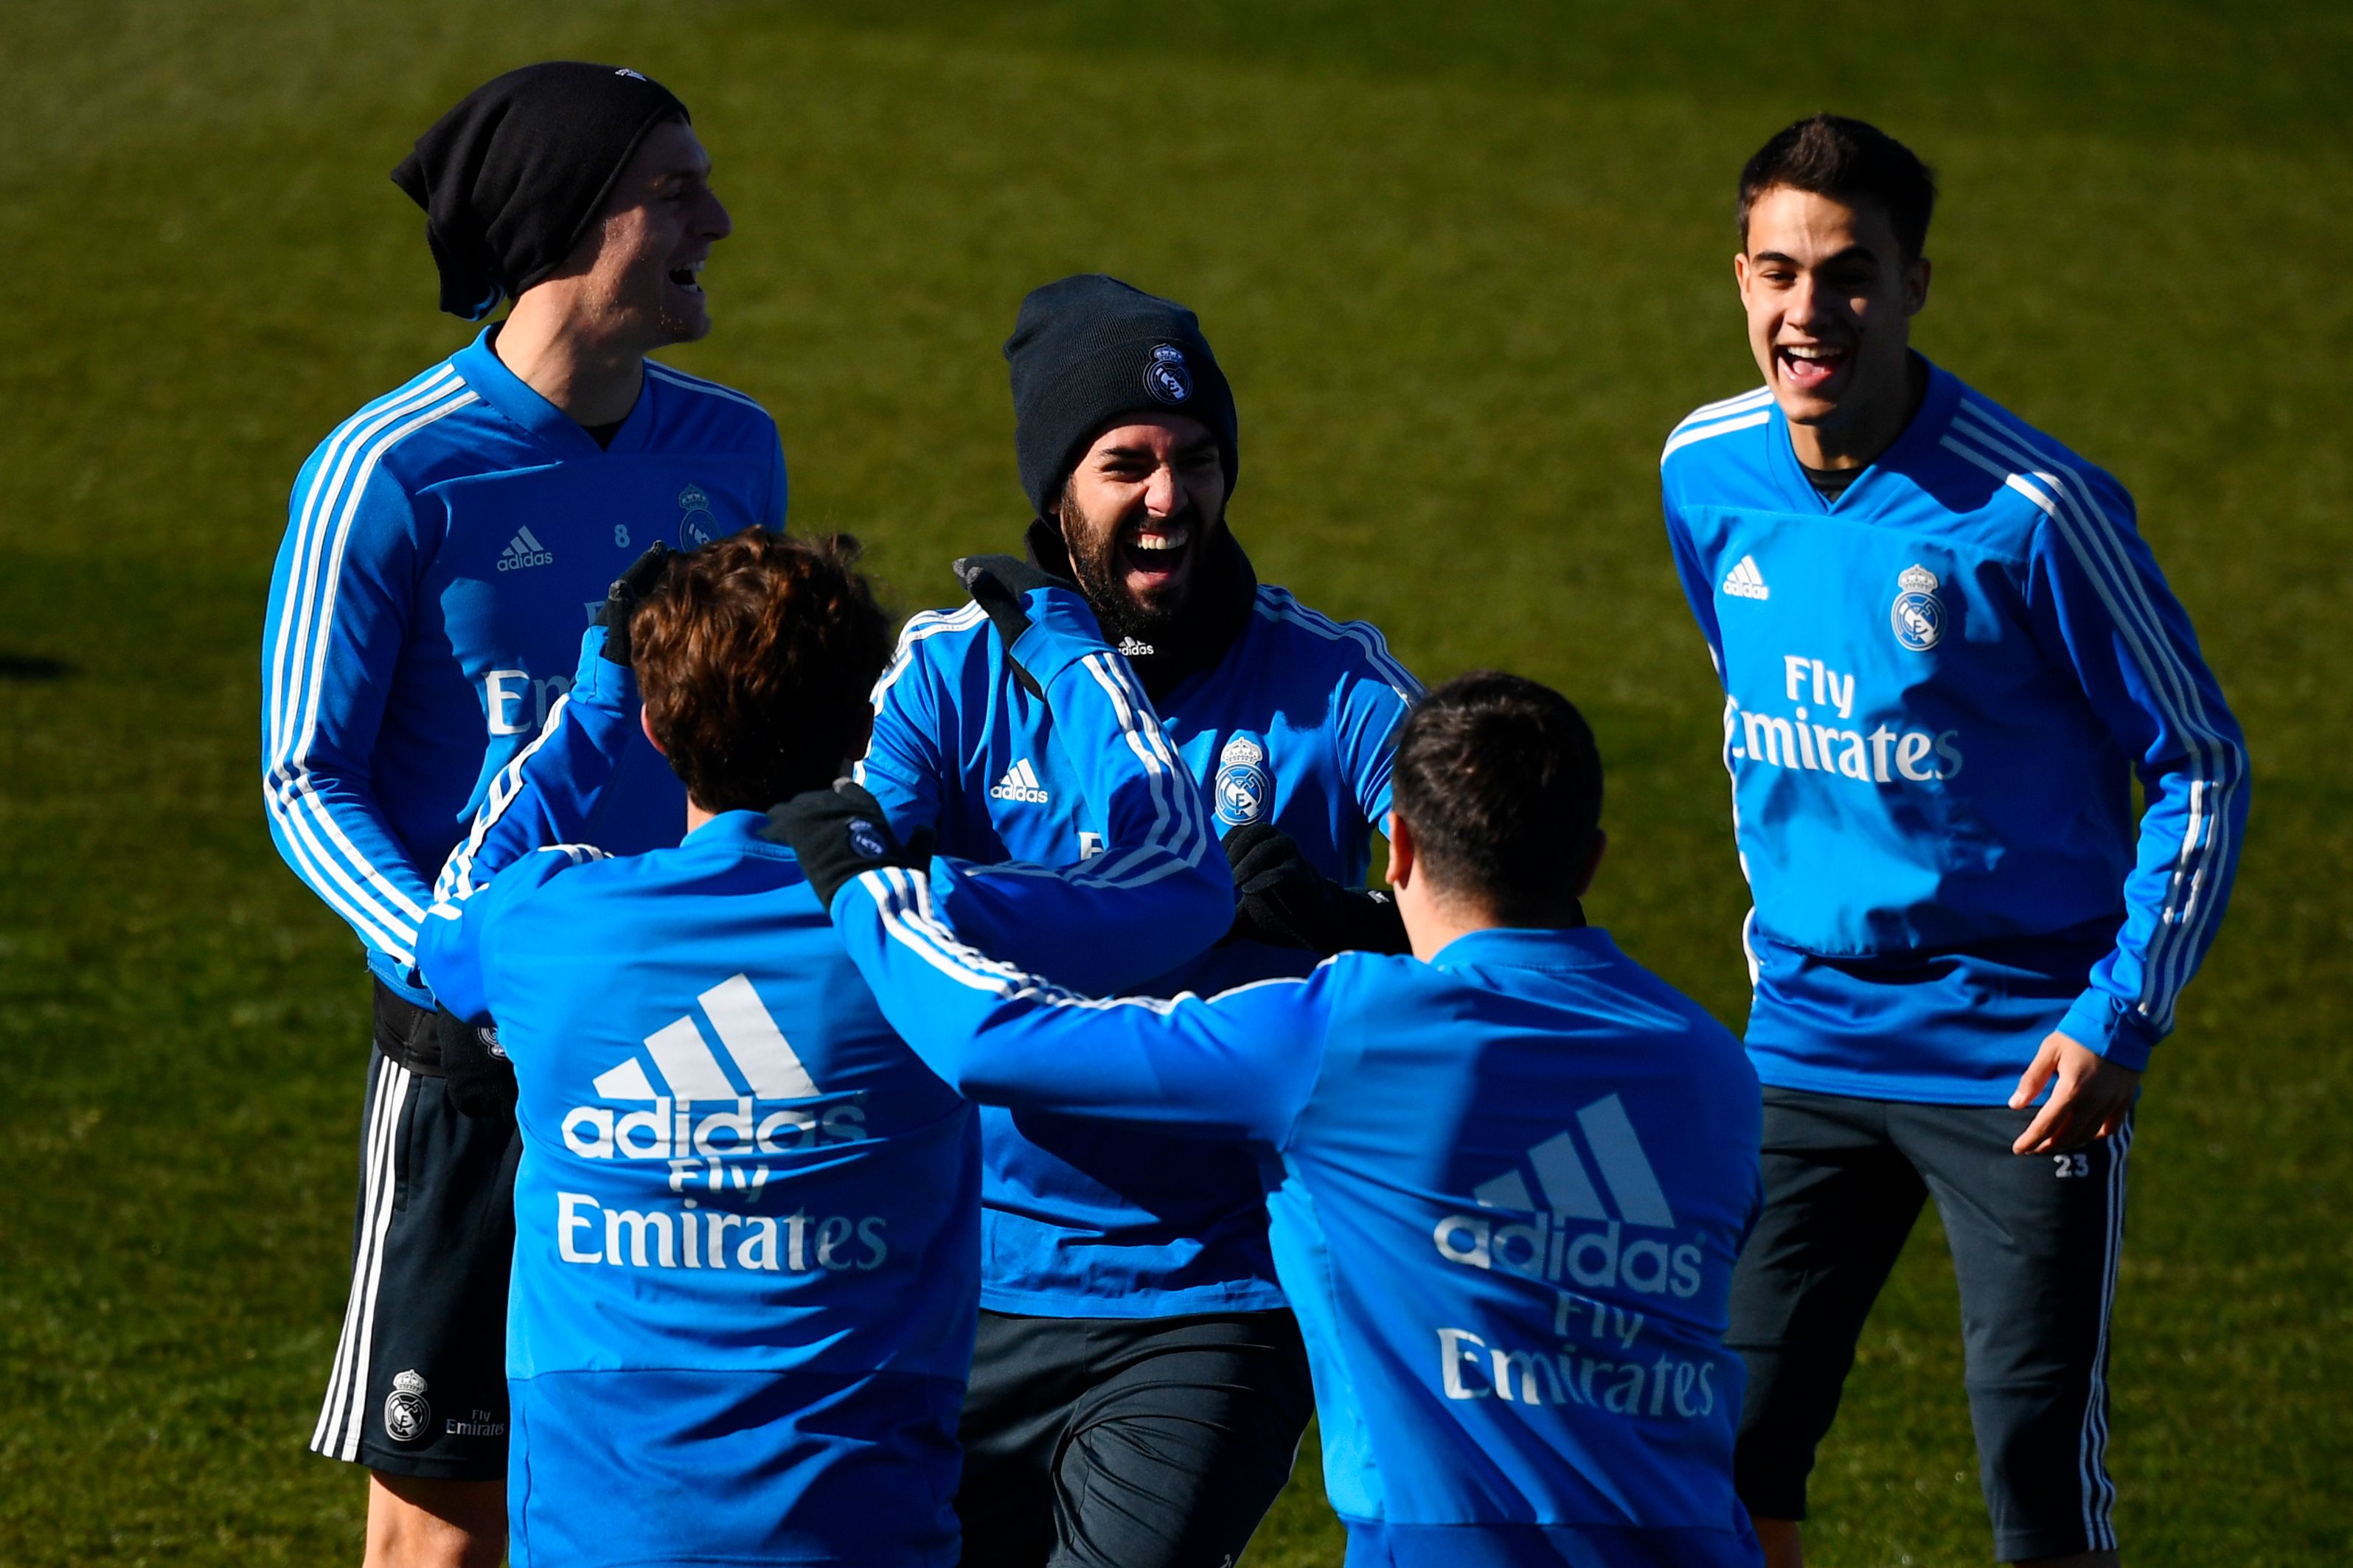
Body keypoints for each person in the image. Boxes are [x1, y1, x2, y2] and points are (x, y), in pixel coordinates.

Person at [775, 671, 1766, 1568]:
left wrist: (869, 887)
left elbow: (997, 1041)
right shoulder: (1714, 1066)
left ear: (1402, 846)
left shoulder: (1344, 1035)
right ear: (1590, 859)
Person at [1657, 114, 2248, 1568]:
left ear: (1917, 282)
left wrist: (2121, 1015)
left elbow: (2203, 762)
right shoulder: (1701, 469)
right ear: (1738, 276)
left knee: (2033, 1467)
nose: (1812, 314)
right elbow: (1758, 696)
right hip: (1801, 1034)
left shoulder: (2037, 513)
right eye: (1782, 272)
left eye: (1851, 274)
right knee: (1725, 1440)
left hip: (2022, 1054)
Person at [414, 531, 1233, 1566]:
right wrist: (1076, 655)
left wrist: (597, 701)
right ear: (861, 728)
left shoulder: (542, 924)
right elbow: (1180, 882)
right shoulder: (923, 931)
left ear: (662, 730)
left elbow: (442, 923)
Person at [258, 62, 780, 1567]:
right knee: (443, 1523)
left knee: (665, 1488)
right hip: (472, 1065)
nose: (718, 220)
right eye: (673, 189)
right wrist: (456, 954)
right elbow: (308, 775)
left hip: (681, 1047)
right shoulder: (391, 471)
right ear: (566, 217)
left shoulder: (730, 450)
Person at [855, 272, 1422, 1567]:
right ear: (1057, 489)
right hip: (963, 1284)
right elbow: (849, 883)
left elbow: (1492, 916)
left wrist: (1350, 918)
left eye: (1197, 460)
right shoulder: (950, 674)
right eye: (1127, 465)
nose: (1171, 500)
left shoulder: (1335, 685)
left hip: (1211, 1297)